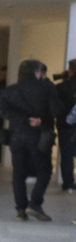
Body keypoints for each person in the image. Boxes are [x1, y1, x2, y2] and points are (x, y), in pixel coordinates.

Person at [0, 59, 61, 221]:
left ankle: (20, 209)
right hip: (40, 135)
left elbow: (1, 111)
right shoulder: (48, 88)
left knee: (19, 172)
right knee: (44, 170)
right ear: (36, 72)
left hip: (16, 135)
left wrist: (25, 120)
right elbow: (56, 110)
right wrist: (41, 119)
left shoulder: (10, 90)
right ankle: (35, 203)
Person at [56, 59, 76, 191]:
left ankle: (68, 183)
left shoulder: (61, 87)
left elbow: (55, 106)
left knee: (67, 155)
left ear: (71, 70)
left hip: (65, 125)